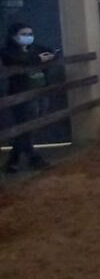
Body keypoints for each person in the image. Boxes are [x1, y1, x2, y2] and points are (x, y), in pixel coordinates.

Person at [2, 23, 56, 173]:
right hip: (22, 93)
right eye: (24, 34)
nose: (28, 37)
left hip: (40, 90)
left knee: (30, 126)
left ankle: (13, 160)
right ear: (13, 36)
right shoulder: (8, 52)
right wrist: (37, 59)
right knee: (26, 126)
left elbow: (51, 51)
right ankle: (33, 157)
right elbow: (19, 60)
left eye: (30, 34)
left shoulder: (35, 48)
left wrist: (47, 57)